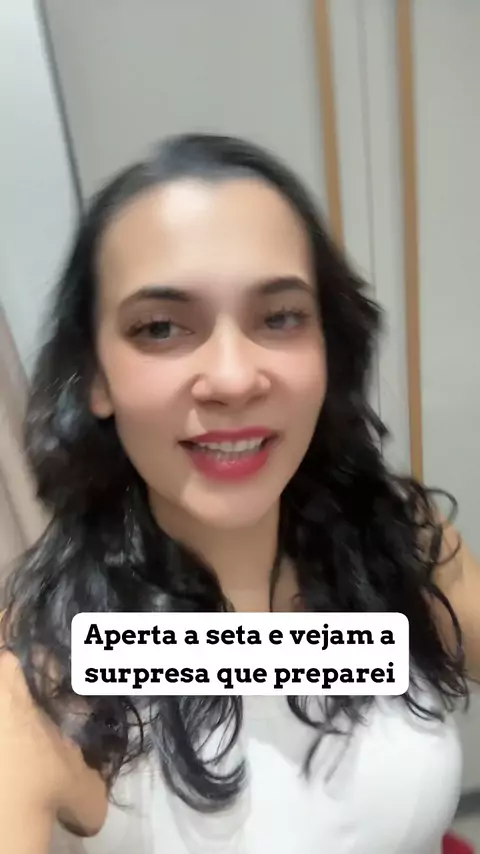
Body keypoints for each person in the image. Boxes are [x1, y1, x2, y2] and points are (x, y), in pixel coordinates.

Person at [0, 133, 479, 854]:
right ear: (96, 377)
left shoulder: (400, 543)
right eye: (161, 327)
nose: (232, 378)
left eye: (280, 317)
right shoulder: (44, 673)